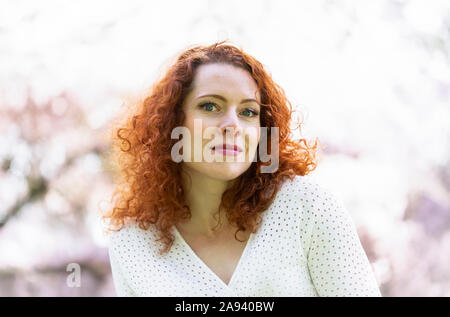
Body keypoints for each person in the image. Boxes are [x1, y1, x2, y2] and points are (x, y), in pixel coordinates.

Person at [102, 40, 382, 297]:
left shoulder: (308, 209)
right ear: (172, 124)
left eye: (248, 112)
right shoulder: (131, 242)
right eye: (210, 106)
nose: (233, 125)